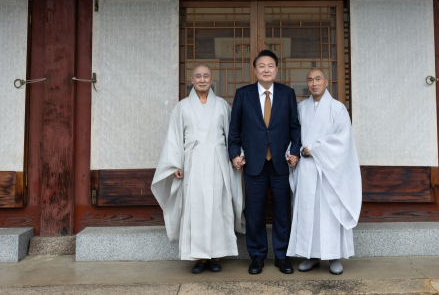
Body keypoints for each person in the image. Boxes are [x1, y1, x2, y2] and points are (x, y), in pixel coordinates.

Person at [151, 63, 244, 274]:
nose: (202, 80)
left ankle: (216, 255)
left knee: (218, 206)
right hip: (192, 162)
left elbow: (232, 135)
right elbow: (174, 137)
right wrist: (175, 164)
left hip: (217, 161)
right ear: (192, 80)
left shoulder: (222, 106)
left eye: (206, 76)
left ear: (212, 79)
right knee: (195, 207)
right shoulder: (182, 107)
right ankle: (199, 257)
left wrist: (236, 156)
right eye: (198, 76)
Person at [228, 50, 301, 275]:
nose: (266, 70)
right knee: (255, 213)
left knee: (282, 213)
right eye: (262, 66)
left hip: (280, 163)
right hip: (254, 163)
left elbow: (294, 127)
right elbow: (234, 130)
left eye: (270, 66)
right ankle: (257, 257)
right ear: (255, 70)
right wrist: (234, 154)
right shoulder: (243, 94)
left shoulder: (287, 93)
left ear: (277, 69)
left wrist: (296, 151)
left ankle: (282, 256)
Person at [287, 69, 362, 275]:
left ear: (326, 82)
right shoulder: (301, 108)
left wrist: (317, 149)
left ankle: (333, 256)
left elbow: (341, 140)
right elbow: (293, 135)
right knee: (308, 212)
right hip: (306, 168)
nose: (314, 83)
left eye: (318, 79)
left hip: (329, 170)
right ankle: (309, 254)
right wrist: (292, 153)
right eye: (310, 79)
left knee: (329, 213)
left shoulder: (338, 109)